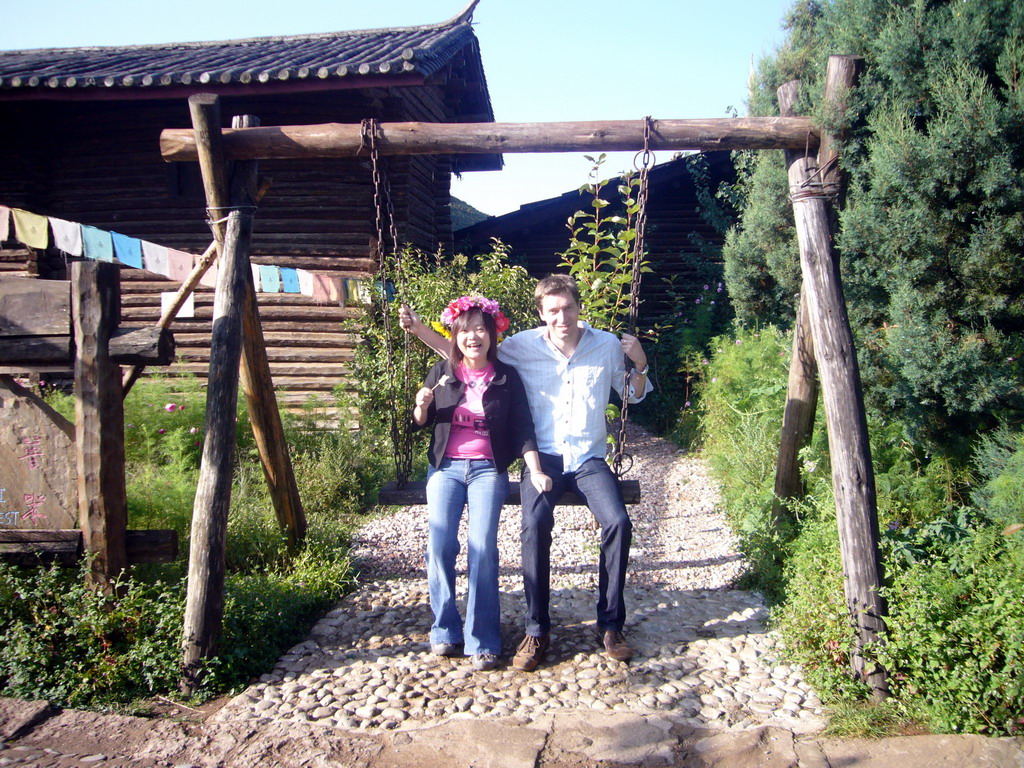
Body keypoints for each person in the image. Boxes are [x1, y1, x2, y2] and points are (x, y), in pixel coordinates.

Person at [401, 274, 651, 672]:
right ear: (541, 313)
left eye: (568, 308)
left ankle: (611, 625)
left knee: (618, 522)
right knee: (533, 525)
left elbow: (633, 393)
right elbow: (464, 352)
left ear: (578, 307)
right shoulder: (521, 347)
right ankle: (536, 628)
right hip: (544, 458)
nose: (562, 317)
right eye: (553, 310)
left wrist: (639, 361)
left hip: (588, 459)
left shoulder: (605, 345)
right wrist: (417, 331)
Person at [412, 295, 552, 671]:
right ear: (455, 335)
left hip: (487, 469)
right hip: (445, 469)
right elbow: (419, 422)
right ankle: (444, 629)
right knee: (440, 545)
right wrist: (421, 405)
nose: (473, 337)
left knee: (482, 550)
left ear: (491, 334)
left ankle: (483, 639)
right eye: (465, 330)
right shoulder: (442, 371)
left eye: (480, 330)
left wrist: (534, 469)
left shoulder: (507, 377)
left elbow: (523, 427)